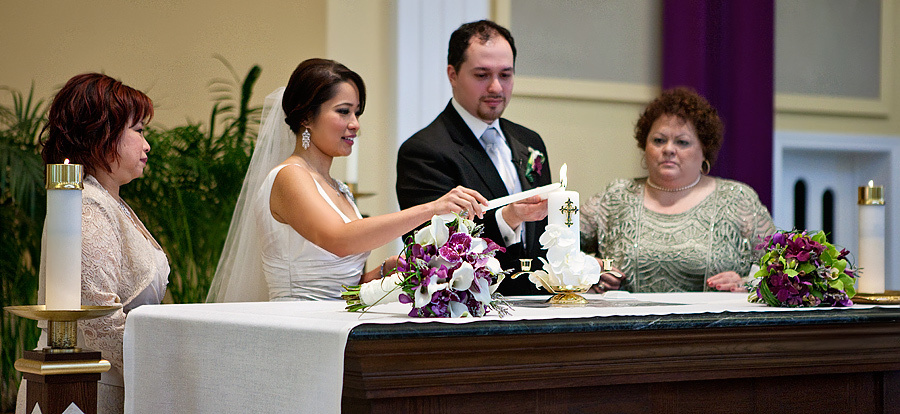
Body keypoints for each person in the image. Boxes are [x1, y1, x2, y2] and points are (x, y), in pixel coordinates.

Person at [207, 58, 487, 302]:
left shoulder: (339, 189)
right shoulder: (289, 176)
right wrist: (432, 208)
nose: (355, 124)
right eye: (343, 111)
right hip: (298, 321)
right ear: (306, 117)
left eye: (357, 113)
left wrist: (388, 269)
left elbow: (345, 290)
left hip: (341, 322)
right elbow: (339, 240)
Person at [16, 73, 169, 414]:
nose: (147, 145)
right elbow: (101, 322)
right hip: (85, 388)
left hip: (110, 382)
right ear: (103, 133)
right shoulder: (86, 207)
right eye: (138, 130)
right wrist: (169, 371)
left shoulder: (110, 203)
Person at [396, 20, 551, 296]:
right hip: (474, 307)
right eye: (482, 75)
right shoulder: (423, 151)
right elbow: (431, 250)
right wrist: (506, 219)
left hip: (541, 302)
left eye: (506, 75)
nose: (496, 87)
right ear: (453, 75)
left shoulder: (530, 142)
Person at [580, 87, 775, 293]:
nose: (668, 149)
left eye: (682, 142)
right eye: (659, 140)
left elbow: (782, 269)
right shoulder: (615, 197)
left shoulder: (738, 200)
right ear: (644, 146)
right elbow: (560, 247)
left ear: (704, 150)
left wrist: (747, 283)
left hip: (717, 314)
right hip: (625, 314)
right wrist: (589, 270)